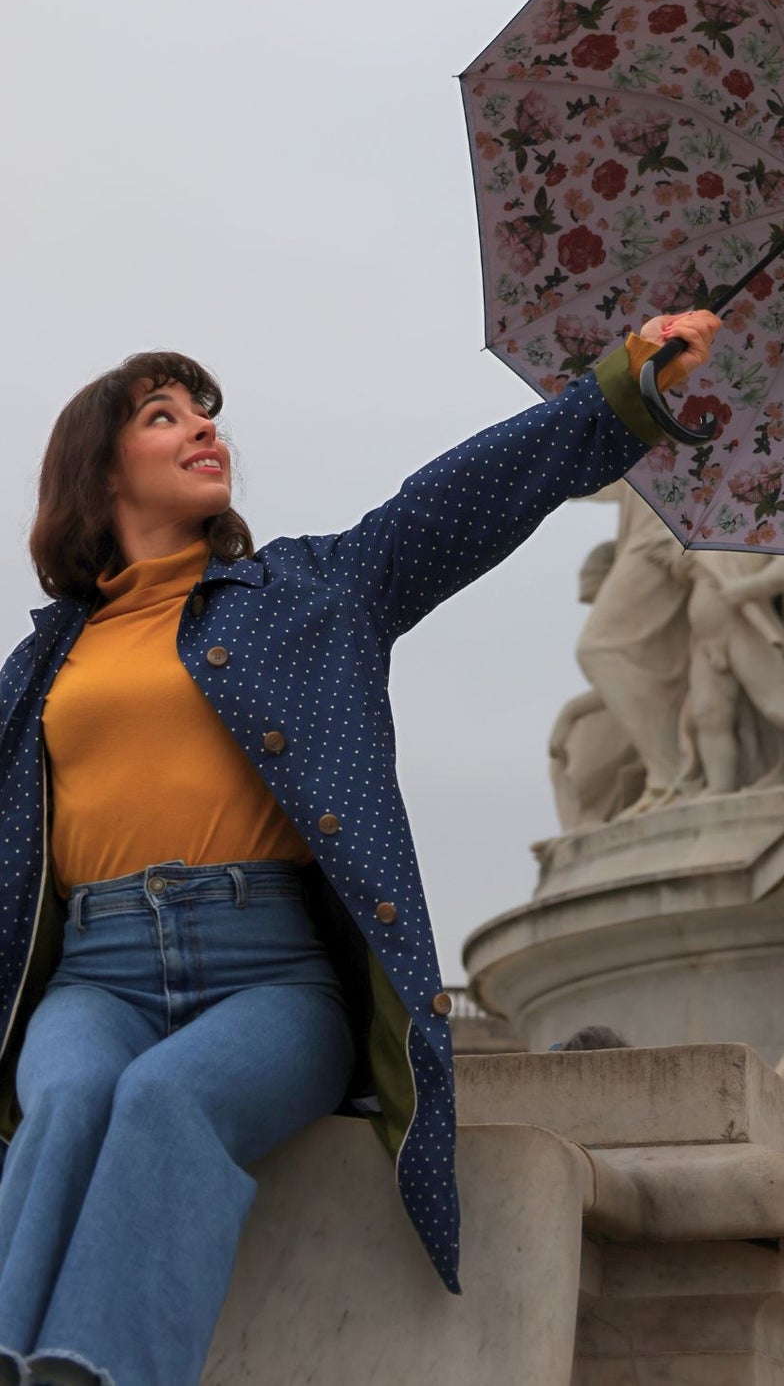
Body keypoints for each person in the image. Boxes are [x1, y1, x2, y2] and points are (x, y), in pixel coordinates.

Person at [0, 310, 720, 1386]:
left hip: (272, 979)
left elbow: (458, 501)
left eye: (208, 414)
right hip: (95, 978)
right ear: (97, 472)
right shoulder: (39, 665)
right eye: (165, 415)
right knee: (60, 1103)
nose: (205, 430)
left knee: (164, 1103)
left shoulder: (311, 593)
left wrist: (617, 389)